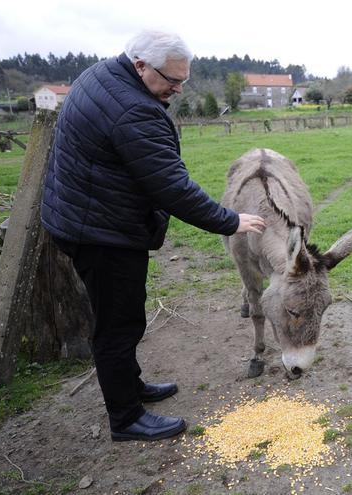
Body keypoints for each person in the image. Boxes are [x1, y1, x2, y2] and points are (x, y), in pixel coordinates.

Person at [41, 30, 265, 442]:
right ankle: (126, 418)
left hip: (88, 215)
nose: (178, 90)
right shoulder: (133, 111)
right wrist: (230, 220)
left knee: (124, 317)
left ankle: (131, 385)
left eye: (184, 80)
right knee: (118, 325)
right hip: (102, 232)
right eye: (171, 81)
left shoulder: (101, 75)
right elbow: (172, 187)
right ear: (141, 65)